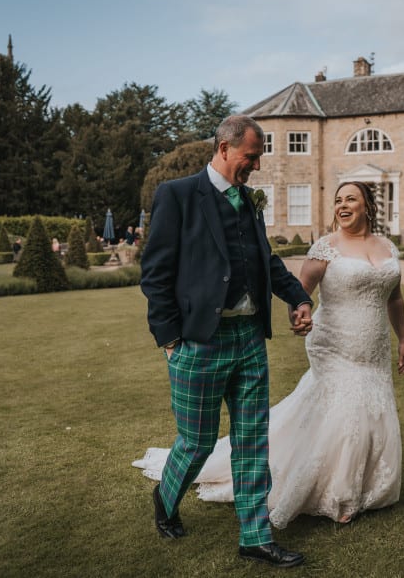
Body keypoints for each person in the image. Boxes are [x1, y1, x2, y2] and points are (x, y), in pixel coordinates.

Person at [134, 181, 404, 529]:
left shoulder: (387, 247)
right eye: (338, 200)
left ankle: (365, 485)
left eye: (350, 199)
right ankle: (338, 492)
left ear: (368, 205)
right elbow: (299, 290)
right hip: (334, 343)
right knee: (345, 411)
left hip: (374, 346)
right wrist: (300, 311)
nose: (342, 205)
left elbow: (394, 297)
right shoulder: (327, 247)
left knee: (373, 408)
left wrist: (403, 340)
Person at [138, 115, 313, 569]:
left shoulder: (249, 201)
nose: (255, 166)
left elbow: (265, 260)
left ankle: (255, 536)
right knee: (196, 441)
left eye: (258, 158)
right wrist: (170, 339)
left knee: (253, 441)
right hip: (199, 342)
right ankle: (167, 496)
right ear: (223, 149)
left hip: (249, 338)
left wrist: (297, 296)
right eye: (250, 157)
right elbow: (155, 274)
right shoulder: (176, 196)